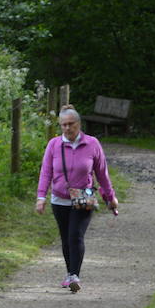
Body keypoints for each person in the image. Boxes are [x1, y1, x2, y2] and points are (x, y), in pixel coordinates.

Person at [35, 107, 119, 293]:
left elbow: (102, 174)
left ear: (78, 124)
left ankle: (74, 275)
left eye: (70, 124)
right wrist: (41, 197)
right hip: (59, 200)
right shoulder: (54, 145)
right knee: (66, 238)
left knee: (75, 235)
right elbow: (46, 172)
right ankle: (70, 274)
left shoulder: (92, 144)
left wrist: (110, 197)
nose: (67, 128)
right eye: (63, 125)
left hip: (83, 198)